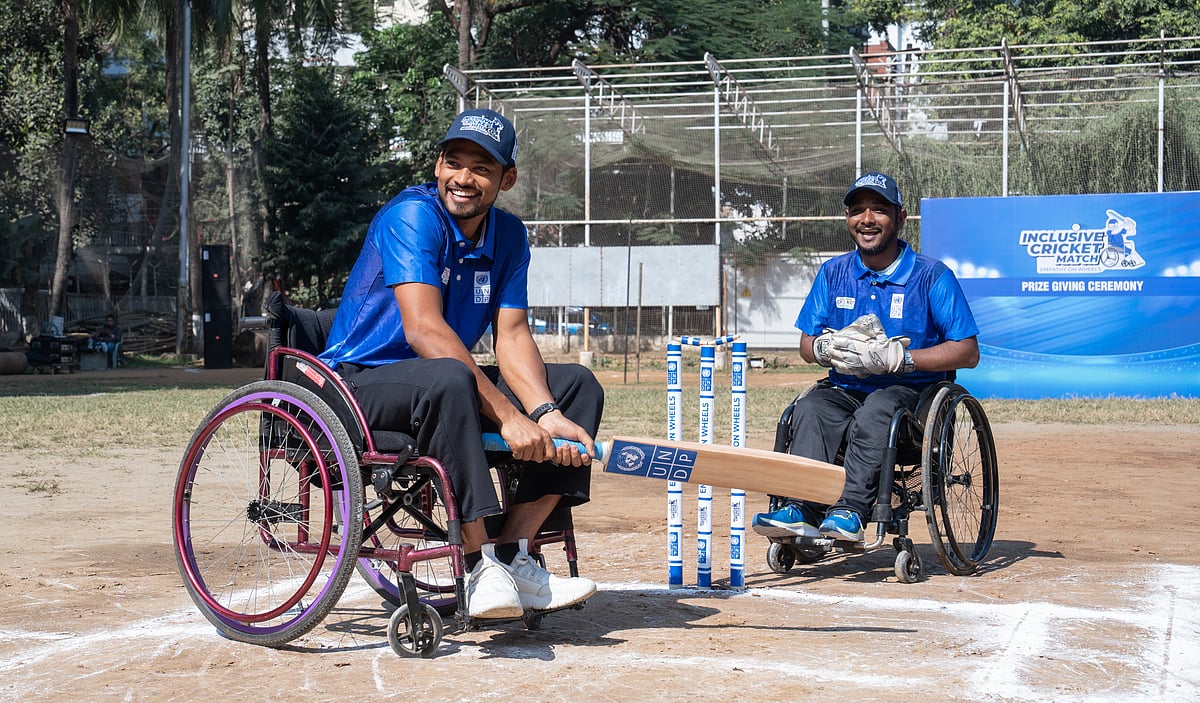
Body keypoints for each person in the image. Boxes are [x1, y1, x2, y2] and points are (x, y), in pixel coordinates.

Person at [319, 108, 604, 620]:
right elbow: (425, 331)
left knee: (577, 387)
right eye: (454, 162)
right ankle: (477, 563)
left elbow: (513, 335)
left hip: (439, 382)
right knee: (451, 376)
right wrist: (508, 416)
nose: (464, 178)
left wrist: (542, 413)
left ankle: (514, 556)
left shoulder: (510, 236)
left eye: (482, 168)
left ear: (506, 179)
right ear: (437, 165)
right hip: (358, 384)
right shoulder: (412, 216)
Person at [751, 172, 979, 543]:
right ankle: (800, 508)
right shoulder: (834, 272)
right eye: (857, 210)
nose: (867, 219)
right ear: (848, 220)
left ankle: (850, 511)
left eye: (879, 210)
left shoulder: (931, 276)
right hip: (846, 388)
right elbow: (806, 345)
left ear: (900, 218)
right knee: (810, 408)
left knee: (878, 407)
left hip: (910, 395)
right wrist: (824, 348)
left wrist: (901, 360)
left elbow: (968, 352)